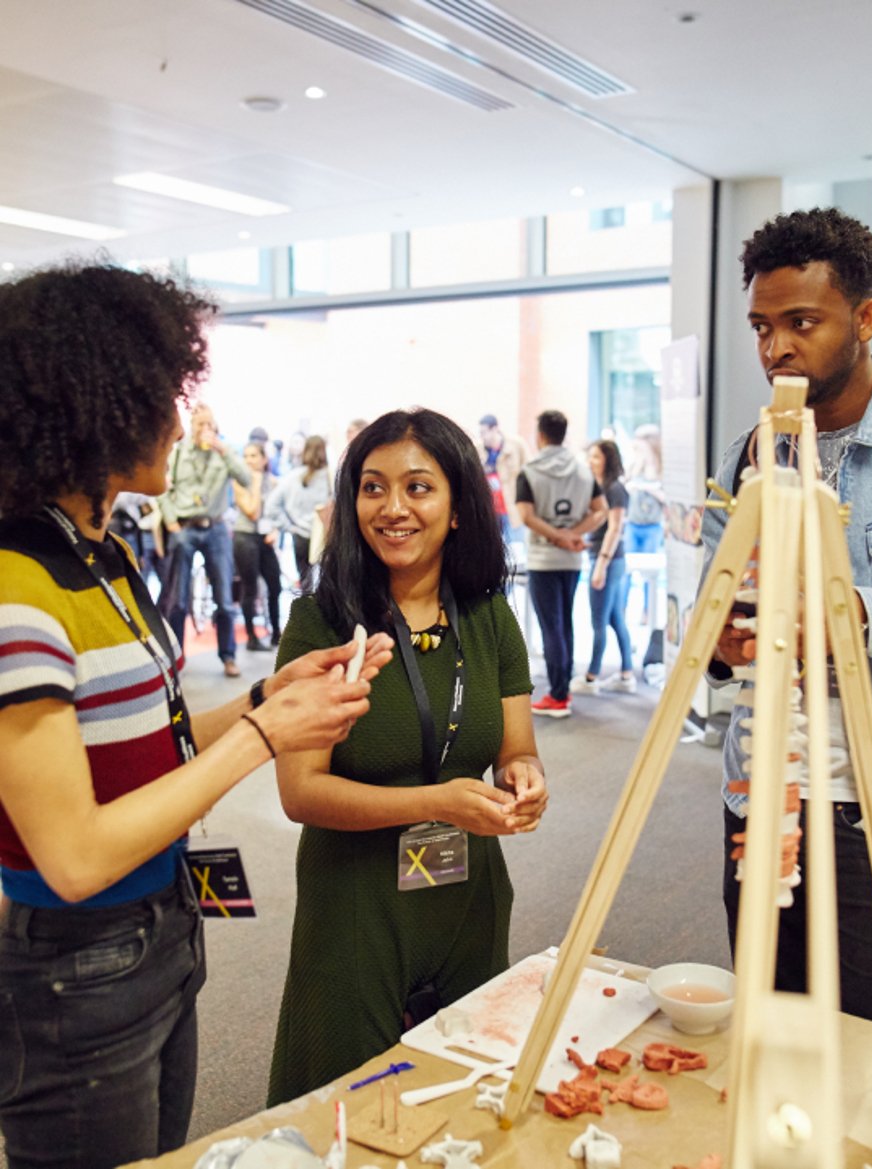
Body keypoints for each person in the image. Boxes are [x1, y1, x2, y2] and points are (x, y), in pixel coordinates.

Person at [0, 262, 392, 1169]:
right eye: (160, 394)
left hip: (163, 926)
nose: (180, 421)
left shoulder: (102, 559)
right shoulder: (18, 590)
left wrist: (268, 694)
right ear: (93, 402)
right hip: (78, 959)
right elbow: (74, 854)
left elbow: (150, 741)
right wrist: (265, 737)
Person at [701, 206, 872, 1033]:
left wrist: (858, 612)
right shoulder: (751, 453)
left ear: (866, 317)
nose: (776, 348)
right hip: (762, 798)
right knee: (767, 1034)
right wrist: (721, 637)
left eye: (801, 322)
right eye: (761, 327)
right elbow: (714, 600)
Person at [267, 407, 548, 1102]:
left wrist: (524, 777)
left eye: (418, 487)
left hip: (468, 897)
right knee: (353, 1107)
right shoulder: (323, 624)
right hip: (357, 904)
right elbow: (300, 791)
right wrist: (436, 802)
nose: (392, 507)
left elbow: (516, 746)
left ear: (457, 507)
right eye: (372, 486)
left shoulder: (487, 614)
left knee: (466, 1094)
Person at [516, 410, 606, 718]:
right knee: (565, 624)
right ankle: (563, 690)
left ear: (540, 435)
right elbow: (600, 510)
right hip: (572, 560)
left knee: (551, 627)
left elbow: (526, 516)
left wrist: (556, 536)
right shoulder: (582, 471)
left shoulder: (529, 471)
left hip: (543, 559)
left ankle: (557, 695)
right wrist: (571, 535)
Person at [158, 402, 249, 678]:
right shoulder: (178, 453)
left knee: (224, 598)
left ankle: (228, 656)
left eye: (210, 425)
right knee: (178, 600)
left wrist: (224, 450)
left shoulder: (224, 453)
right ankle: (176, 658)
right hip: (184, 528)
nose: (205, 430)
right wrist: (171, 520)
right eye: (200, 425)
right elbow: (162, 485)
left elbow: (245, 478)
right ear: (191, 426)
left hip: (216, 528)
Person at [570, 440, 636, 695]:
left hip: (610, 560)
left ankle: (591, 677)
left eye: (596, 457)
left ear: (608, 459)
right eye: (590, 456)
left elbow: (616, 528)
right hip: (605, 558)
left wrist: (601, 564)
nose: (590, 461)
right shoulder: (597, 488)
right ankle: (626, 674)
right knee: (615, 618)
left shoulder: (615, 488)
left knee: (598, 620)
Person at [265, 434, 332, 592]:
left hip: (300, 537)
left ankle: (308, 617)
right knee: (330, 587)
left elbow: (271, 506)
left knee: (306, 587)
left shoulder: (293, 477)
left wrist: (289, 527)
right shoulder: (332, 477)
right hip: (327, 538)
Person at [233, 441, 283, 651]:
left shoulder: (273, 483)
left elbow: (279, 513)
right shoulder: (239, 483)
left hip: (265, 538)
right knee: (250, 588)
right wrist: (254, 482)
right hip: (245, 537)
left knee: (275, 586)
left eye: (254, 456)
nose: (249, 460)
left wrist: (275, 530)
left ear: (264, 459)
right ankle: (252, 636)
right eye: (246, 456)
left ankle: (276, 634)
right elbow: (252, 511)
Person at [624, 424, 665, 625]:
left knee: (650, 575)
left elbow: (668, 498)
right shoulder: (634, 464)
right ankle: (621, 611)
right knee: (626, 572)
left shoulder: (661, 467)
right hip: (632, 523)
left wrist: (648, 488)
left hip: (652, 526)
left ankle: (648, 612)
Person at [478, 413, 528, 545]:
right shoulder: (479, 450)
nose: (482, 437)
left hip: (512, 509)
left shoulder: (516, 445)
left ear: (494, 429)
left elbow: (529, 471)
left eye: (484, 433)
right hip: (490, 512)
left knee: (516, 551)